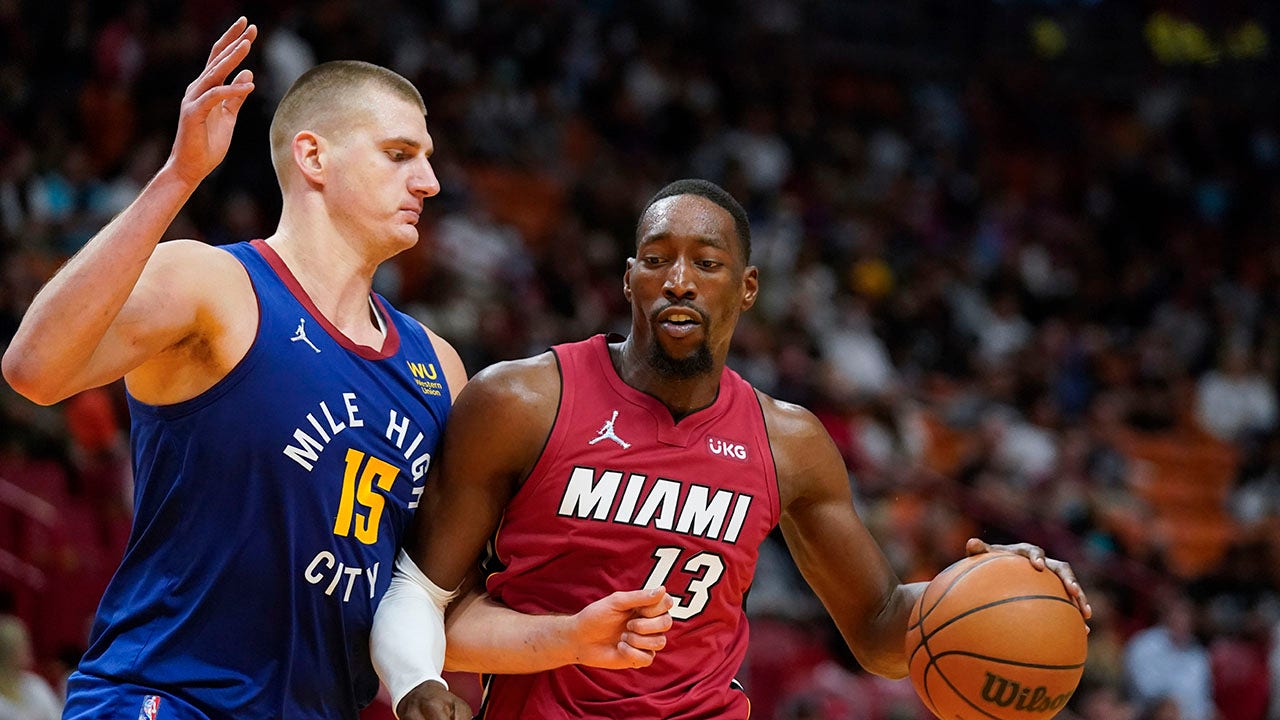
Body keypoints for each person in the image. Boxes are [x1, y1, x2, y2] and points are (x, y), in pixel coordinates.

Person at [2, 18, 668, 720]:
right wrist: (179, 177)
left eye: (428, 158)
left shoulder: (437, 366)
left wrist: (570, 637)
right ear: (314, 157)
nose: (430, 181)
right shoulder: (215, 285)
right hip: (165, 699)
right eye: (400, 154)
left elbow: (425, 607)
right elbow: (34, 369)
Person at [373, 178, 1093, 719]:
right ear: (628, 279)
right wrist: (428, 677)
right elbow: (422, 600)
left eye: (707, 263)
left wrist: (993, 586)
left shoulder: (789, 442)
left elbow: (878, 630)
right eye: (657, 259)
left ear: (747, 288)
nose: (678, 281)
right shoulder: (520, 403)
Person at [0, 615, 62, 720]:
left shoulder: (35, 685)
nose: (29, 649)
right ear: (6, 652)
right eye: (21, 645)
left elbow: (58, 716)